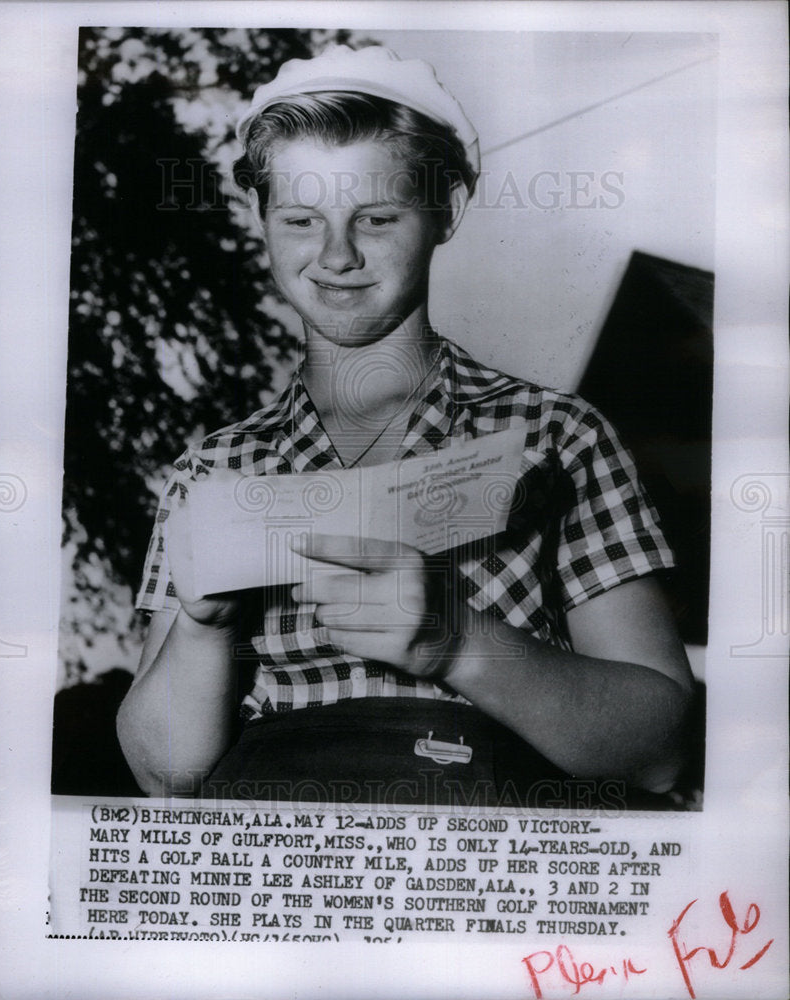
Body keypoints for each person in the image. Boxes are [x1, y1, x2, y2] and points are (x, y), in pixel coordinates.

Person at [117, 45, 694, 807]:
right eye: (299, 219)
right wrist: (199, 627)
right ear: (260, 219)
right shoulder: (215, 472)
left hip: (491, 874)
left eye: (377, 217)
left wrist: (455, 640)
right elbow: (165, 779)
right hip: (275, 870)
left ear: (444, 213)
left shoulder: (557, 436)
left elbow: (659, 753)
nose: (335, 255)